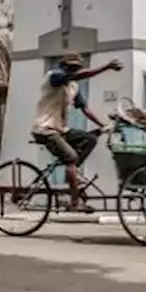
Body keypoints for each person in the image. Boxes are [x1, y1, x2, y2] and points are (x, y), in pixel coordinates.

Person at [31, 53, 122, 213]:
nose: (73, 72)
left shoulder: (73, 86)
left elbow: (85, 109)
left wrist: (103, 125)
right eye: (71, 68)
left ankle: (72, 173)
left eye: (76, 69)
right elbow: (78, 76)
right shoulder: (54, 76)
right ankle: (74, 202)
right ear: (65, 67)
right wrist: (105, 67)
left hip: (61, 129)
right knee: (71, 157)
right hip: (44, 129)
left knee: (90, 139)